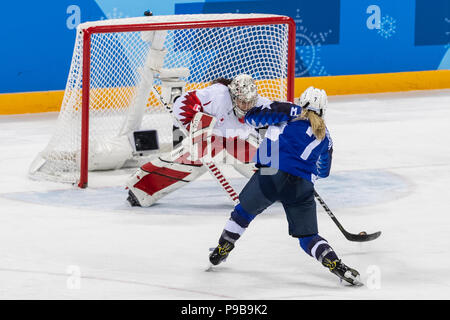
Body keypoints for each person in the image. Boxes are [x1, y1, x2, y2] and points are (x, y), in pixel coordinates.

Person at [208, 86, 362, 285]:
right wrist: (305, 173)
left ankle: (222, 249)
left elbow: (252, 119)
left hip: (270, 174)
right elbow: (324, 171)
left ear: (302, 102)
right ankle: (337, 266)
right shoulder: (327, 137)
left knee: (243, 213)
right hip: (302, 185)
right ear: (324, 110)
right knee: (308, 236)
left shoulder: (289, 112)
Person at [125, 74, 272, 207]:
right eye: (242, 102)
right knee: (191, 161)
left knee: (261, 157)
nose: (246, 106)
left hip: (229, 138)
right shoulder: (217, 96)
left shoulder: (261, 104)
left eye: (250, 102)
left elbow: (279, 125)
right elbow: (183, 104)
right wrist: (196, 130)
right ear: (233, 96)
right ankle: (141, 189)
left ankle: (278, 187)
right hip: (198, 131)